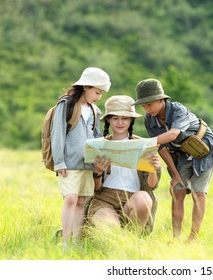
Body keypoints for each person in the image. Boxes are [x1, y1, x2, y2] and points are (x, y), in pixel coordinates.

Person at [134, 78, 213, 242]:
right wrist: (174, 174)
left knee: (198, 193)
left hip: (203, 147)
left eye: (149, 104)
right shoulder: (149, 119)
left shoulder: (178, 109)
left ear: (161, 99)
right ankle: (176, 238)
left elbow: (173, 134)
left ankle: (193, 238)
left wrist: (145, 143)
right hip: (180, 152)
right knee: (177, 191)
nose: (146, 108)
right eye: (143, 105)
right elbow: (162, 148)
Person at [85, 95, 161, 235]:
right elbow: (95, 189)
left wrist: (153, 170)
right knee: (110, 232)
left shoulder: (143, 145)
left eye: (125, 118)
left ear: (131, 120)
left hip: (133, 197)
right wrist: (98, 172)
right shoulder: (98, 145)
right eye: (115, 118)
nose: (120, 122)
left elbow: (151, 186)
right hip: (104, 199)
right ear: (108, 119)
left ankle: (132, 240)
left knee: (144, 198)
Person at [51, 67, 111, 246]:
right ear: (86, 86)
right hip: (69, 163)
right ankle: (65, 242)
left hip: (87, 164)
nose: (99, 96)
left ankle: (76, 242)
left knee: (81, 201)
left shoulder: (94, 110)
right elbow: (58, 133)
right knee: (70, 198)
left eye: (101, 93)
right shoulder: (66, 104)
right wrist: (59, 161)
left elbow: (96, 136)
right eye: (97, 92)